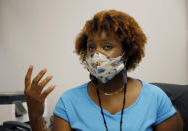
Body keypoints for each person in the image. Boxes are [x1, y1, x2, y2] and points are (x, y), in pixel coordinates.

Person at [24, 10, 182, 131]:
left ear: (127, 52)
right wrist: (35, 116)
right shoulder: (68, 102)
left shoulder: (155, 99)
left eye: (107, 46)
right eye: (91, 47)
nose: (96, 54)